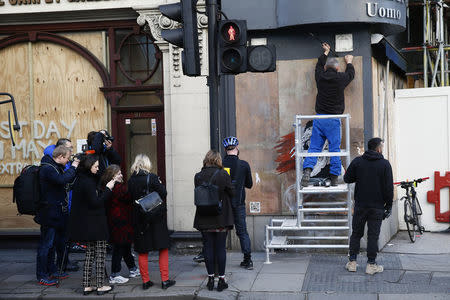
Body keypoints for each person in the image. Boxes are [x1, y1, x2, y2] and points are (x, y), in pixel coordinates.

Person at [301, 42, 355, 187]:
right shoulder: (341, 78)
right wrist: (349, 62)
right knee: (334, 149)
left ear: (326, 67)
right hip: (333, 120)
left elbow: (318, 66)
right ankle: (334, 177)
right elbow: (351, 74)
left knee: (314, 148)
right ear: (337, 68)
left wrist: (325, 52)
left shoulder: (320, 77)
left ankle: (307, 170)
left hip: (319, 119)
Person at [68, 155, 119, 295]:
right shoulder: (88, 182)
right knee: (100, 254)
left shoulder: (81, 179)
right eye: (95, 166)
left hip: (87, 224)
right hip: (96, 223)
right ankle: (100, 285)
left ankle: (86, 285)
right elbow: (96, 202)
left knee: (90, 254)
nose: (97, 169)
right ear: (89, 167)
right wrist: (108, 189)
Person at [343, 138, 393, 275]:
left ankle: (352, 262)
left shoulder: (358, 162)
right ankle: (371, 265)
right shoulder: (385, 164)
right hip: (377, 207)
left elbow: (347, 179)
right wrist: (389, 206)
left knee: (356, 234)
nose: (382, 149)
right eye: (382, 146)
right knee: (373, 236)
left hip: (360, 205)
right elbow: (389, 188)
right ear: (378, 149)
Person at [128, 154, 175, 290]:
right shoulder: (153, 178)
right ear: (147, 164)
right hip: (156, 217)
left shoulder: (131, 180)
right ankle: (165, 280)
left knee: (143, 251)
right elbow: (164, 193)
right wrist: (159, 184)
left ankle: (145, 281)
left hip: (140, 219)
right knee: (163, 248)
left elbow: (130, 197)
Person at [35, 145, 79, 286]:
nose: (68, 161)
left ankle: (52, 270)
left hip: (55, 213)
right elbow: (61, 180)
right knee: (46, 246)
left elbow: (66, 181)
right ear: (60, 157)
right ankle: (42, 275)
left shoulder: (54, 166)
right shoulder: (48, 168)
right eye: (66, 158)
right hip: (49, 213)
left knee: (52, 245)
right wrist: (74, 166)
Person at [194, 150, 234, 292]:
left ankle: (210, 279)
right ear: (218, 160)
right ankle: (221, 280)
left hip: (204, 217)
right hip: (220, 217)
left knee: (208, 248)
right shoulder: (223, 174)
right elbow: (232, 192)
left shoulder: (198, 176)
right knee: (220, 248)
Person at [100, 165, 140, 284]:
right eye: (118, 174)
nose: (121, 175)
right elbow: (129, 196)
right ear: (112, 176)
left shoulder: (109, 187)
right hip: (120, 221)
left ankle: (132, 269)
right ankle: (115, 274)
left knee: (125, 246)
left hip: (118, 220)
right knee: (119, 247)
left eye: (121, 173)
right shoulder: (117, 188)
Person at [222, 136, 254, 269]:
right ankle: (248, 260)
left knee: (222, 232)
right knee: (242, 232)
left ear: (225, 149)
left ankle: (219, 259)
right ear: (237, 148)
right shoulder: (244, 165)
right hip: (239, 203)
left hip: (224, 204)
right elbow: (250, 184)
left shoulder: (221, 165)